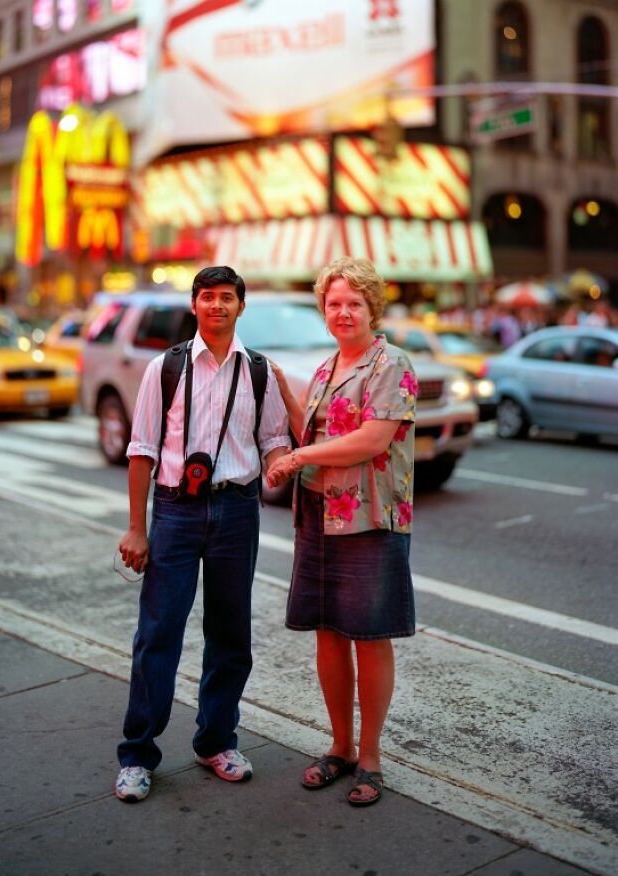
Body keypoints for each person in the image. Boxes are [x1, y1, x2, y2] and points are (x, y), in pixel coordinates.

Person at [115, 265, 290, 802]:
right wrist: (135, 528)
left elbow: (274, 440)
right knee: (158, 633)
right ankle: (138, 754)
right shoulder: (164, 370)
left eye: (227, 298)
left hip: (238, 510)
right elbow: (142, 449)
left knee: (231, 634)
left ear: (241, 306)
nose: (217, 306)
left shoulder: (259, 371)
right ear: (194, 305)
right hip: (175, 511)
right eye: (208, 297)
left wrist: (291, 462)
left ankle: (216, 740)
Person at [266, 257, 417, 807]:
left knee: (369, 637)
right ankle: (340, 746)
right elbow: (312, 430)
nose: (343, 311)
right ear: (323, 310)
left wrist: (299, 454)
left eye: (354, 302)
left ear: (372, 306)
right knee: (328, 631)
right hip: (318, 514)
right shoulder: (328, 368)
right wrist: (284, 391)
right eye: (334, 303)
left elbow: (371, 440)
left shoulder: (391, 363)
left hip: (369, 517)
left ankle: (371, 757)